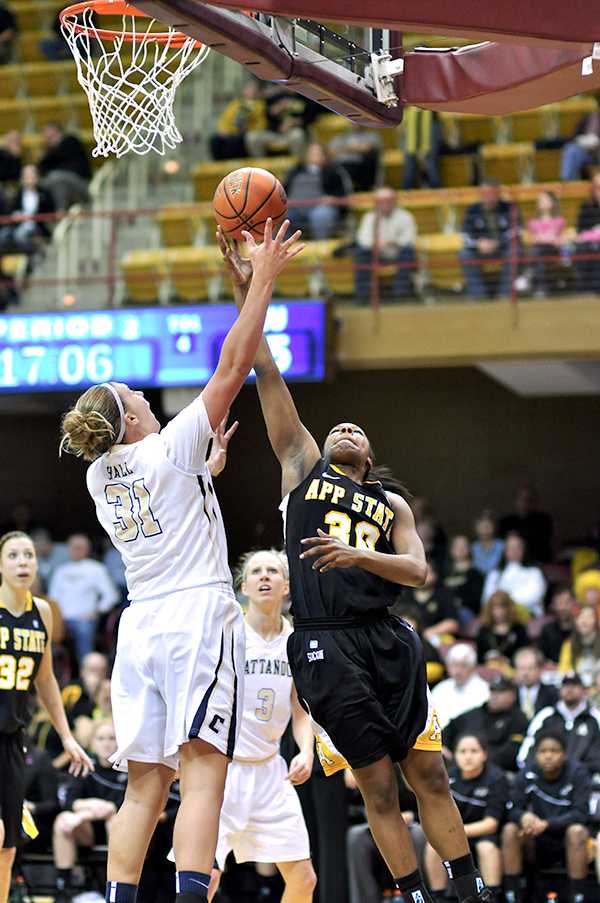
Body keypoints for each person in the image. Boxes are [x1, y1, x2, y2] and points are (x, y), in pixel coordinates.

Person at [217, 228, 496, 903]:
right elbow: (266, 367)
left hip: (387, 636)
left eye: (355, 430)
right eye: (337, 425)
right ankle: (411, 890)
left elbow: (418, 571)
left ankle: (471, 887)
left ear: (367, 456)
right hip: (323, 639)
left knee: (429, 774)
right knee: (374, 784)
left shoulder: (390, 500)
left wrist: (356, 554)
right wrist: (251, 280)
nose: (344, 427)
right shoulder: (301, 467)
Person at [58, 219, 304, 903]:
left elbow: (165, 495)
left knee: (145, 779)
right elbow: (234, 364)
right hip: (197, 613)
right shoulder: (169, 446)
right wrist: (264, 280)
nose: (142, 396)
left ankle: (120, 897)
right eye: (135, 395)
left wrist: (205, 471)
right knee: (203, 770)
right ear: (133, 419)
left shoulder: (99, 476)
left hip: (139, 623)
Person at [206, 549, 316, 902]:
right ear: (243, 585)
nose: (265, 576)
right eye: (256, 571)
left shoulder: (295, 640)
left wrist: (306, 751)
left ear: (287, 586)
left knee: (304, 879)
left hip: (271, 773)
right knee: (203, 879)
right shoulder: (227, 633)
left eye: (273, 571)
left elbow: (300, 707)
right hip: (222, 772)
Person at [0, 531, 91, 903]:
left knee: (8, 846)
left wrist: (67, 737)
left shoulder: (43, 612)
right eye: (13, 555)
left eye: (29, 555)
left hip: (13, 738)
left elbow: (46, 679)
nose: (23, 562)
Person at [503, 729, 591, 903]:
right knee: (510, 829)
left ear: (564, 754)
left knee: (577, 831)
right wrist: (524, 817)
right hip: (535, 840)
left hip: (567, 841)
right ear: (536, 754)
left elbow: (581, 813)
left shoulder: (578, 773)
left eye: (554, 751)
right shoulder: (527, 773)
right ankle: (512, 894)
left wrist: (547, 823)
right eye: (543, 751)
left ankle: (578, 896)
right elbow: (511, 809)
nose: (548, 756)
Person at [425, 735, 508, 902]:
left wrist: (454, 832)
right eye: (462, 751)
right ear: (454, 755)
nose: (468, 756)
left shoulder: (496, 778)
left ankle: (492, 896)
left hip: (483, 834)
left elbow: (491, 824)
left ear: (484, 754)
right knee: (433, 846)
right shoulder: (447, 776)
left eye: (474, 751)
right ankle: (439, 897)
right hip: (455, 833)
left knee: (487, 849)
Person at [53, 719, 127, 900]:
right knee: (62, 820)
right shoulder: (85, 764)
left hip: (119, 829)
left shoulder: (128, 767)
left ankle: (114, 883)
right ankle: (63, 887)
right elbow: (70, 802)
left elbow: (117, 807)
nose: (106, 743)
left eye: (112, 738)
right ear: (93, 742)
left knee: (113, 818)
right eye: (100, 738)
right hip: (88, 831)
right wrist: (89, 810)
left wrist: (90, 811)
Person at [49, 534, 119, 665]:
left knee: (83, 630)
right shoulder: (61, 571)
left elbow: (111, 596)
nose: (76, 550)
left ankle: (86, 673)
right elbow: (53, 598)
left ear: (87, 549)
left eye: (79, 547)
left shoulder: (97, 569)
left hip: (85, 619)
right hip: (61, 620)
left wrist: (97, 611)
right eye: (73, 547)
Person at [442, 675, 528, 773]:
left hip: (498, 772)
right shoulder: (472, 714)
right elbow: (445, 733)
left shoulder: (518, 719)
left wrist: (478, 763)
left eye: (501, 692)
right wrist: (442, 748)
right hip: (460, 770)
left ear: (512, 695)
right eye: (492, 691)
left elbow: (511, 752)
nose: (495, 696)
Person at [517, 672, 600, 772]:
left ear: (584, 690)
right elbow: (527, 751)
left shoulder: (595, 717)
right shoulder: (546, 715)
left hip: (584, 779)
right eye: (565, 686)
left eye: (574, 685)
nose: (569, 689)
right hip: (545, 777)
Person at [459, 181, 521, 299]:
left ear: (498, 194)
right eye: (485, 193)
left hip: (503, 248)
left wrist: (498, 242)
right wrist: (478, 243)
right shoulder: (472, 210)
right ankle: (478, 295)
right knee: (465, 254)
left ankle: (505, 294)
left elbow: (516, 231)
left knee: (515, 251)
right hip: (479, 250)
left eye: (492, 193)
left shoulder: (510, 207)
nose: (489, 196)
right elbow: (464, 234)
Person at [353, 187, 417, 302]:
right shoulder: (369, 217)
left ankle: (400, 295)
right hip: (376, 254)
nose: (385, 204)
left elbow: (409, 239)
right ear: (376, 202)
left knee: (408, 252)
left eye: (388, 200)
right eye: (381, 201)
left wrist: (390, 242)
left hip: (398, 253)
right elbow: (363, 240)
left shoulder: (405, 216)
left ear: (395, 201)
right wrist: (376, 243)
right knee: (361, 253)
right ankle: (363, 296)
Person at [285, 143, 351, 241]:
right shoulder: (295, 171)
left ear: (325, 156)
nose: (314, 156)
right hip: (294, 207)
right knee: (280, 216)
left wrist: (333, 199)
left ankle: (320, 246)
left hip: (319, 206)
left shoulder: (334, 172)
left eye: (318, 153)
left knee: (321, 215)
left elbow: (343, 195)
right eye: (311, 153)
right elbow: (284, 190)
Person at [482, 533, 546, 619]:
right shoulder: (495, 574)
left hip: (526, 616)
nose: (514, 551)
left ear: (523, 550)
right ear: (505, 551)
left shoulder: (534, 572)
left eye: (517, 547)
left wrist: (504, 601)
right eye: (510, 547)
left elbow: (533, 597)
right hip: (497, 617)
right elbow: (487, 598)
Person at [431, 644, 490, 730]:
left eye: (463, 666)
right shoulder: (441, 688)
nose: (457, 671)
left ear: (473, 667)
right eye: (454, 665)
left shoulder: (483, 689)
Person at [209, 79, 268, 161]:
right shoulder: (235, 104)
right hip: (231, 133)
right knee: (214, 140)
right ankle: (218, 165)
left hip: (245, 134)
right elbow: (225, 119)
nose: (250, 90)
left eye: (253, 89)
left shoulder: (260, 105)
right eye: (249, 87)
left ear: (258, 92)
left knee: (238, 141)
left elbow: (261, 125)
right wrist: (224, 130)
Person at [38, 123, 92, 211]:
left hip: (81, 182)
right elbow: (42, 165)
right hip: (63, 184)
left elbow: (52, 157)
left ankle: (60, 211)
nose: (43, 135)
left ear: (54, 130)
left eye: (45, 131)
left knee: (55, 177)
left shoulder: (70, 140)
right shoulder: (51, 149)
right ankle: (59, 213)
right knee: (55, 185)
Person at [403, 561, 460, 642]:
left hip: (435, 637)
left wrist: (429, 632)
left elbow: (452, 623)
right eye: (419, 572)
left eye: (427, 572)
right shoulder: (406, 594)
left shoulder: (444, 594)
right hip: (410, 637)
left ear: (435, 575)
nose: (423, 575)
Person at [525, 189, 567, 297]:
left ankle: (531, 277)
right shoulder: (532, 222)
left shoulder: (559, 220)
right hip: (539, 253)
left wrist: (543, 238)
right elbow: (531, 239)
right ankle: (541, 288)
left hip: (554, 252)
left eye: (544, 199)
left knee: (540, 249)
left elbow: (558, 239)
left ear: (552, 203)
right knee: (539, 251)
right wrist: (547, 238)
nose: (541, 202)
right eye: (539, 200)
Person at [499, 485, 553, 564]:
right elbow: (502, 544)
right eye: (522, 499)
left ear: (535, 502)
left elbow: (541, 542)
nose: (525, 502)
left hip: (538, 561)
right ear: (516, 501)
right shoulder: (506, 522)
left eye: (529, 500)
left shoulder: (544, 520)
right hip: (512, 562)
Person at [475, 591, 529, 666]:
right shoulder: (484, 630)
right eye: (494, 608)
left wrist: (509, 661)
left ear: (509, 609)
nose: (498, 612)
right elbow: (479, 657)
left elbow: (524, 655)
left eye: (502, 608)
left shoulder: (519, 629)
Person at [327, 125, 381, 192]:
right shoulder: (341, 137)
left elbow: (367, 148)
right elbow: (330, 151)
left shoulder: (371, 135)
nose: (354, 124)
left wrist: (342, 149)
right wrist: (351, 148)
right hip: (339, 163)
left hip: (360, 164)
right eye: (352, 122)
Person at [443, 534, 485, 620]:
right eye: (457, 546)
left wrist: (458, 602)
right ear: (452, 550)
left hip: (465, 613)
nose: (460, 549)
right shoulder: (444, 573)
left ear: (469, 549)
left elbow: (476, 599)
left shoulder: (476, 574)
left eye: (464, 546)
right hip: (446, 610)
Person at [513, 647, 559, 722]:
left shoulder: (552, 693)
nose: (525, 673)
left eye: (530, 668)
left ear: (540, 669)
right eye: (521, 668)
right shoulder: (510, 693)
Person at [558, 605, 600, 686]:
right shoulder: (568, 645)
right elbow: (563, 672)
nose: (584, 620)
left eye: (589, 616)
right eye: (581, 617)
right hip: (577, 688)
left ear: (596, 621)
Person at [401, 107, 442, 190]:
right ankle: (408, 187)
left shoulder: (433, 115)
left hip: (429, 121)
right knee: (410, 161)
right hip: (411, 124)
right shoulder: (407, 111)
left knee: (430, 160)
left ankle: (435, 186)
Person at [538, 587, 577, 664]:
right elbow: (541, 657)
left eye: (566, 603)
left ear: (574, 603)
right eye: (559, 603)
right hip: (552, 673)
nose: (562, 607)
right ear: (554, 606)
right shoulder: (547, 630)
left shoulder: (581, 628)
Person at [560, 107, 600, 181]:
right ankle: (568, 183)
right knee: (571, 150)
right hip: (586, 151)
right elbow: (573, 137)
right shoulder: (588, 117)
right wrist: (581, 140)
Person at [471, 511, 504, 577]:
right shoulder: (472, 547)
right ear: (476, 528)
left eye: (488, 526)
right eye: (482, 526)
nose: (485, 530)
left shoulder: (502, 545)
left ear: (494, 527)